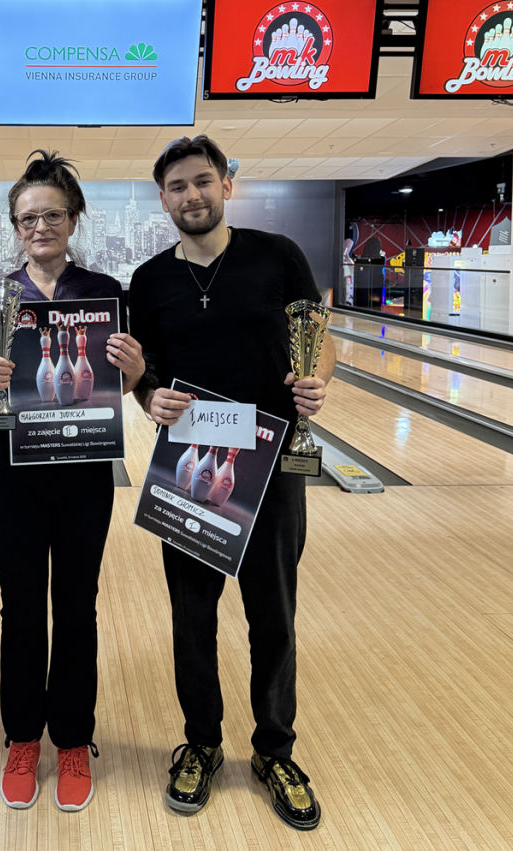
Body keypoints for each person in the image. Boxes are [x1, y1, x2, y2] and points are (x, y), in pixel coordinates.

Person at [128, 135, 336, 831]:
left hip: (271, 466)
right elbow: (144, 373)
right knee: (193, 618)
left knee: (272, 614)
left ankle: (275, 749)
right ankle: (203, 741)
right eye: (178, 186)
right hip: (188, 468)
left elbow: (318, 332)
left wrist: (319, 377)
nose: (192, 195)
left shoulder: (277, 256)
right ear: (163, 198)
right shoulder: (150, 280)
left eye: (203, 181)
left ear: (226, 186)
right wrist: (148, 396)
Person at [0, 151, 145, 812]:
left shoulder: (105, 294)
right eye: (27, 217)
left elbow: (123, 386)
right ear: (15, 225)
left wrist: (134, 364)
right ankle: (21, 737)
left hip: (84, 474)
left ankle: (71, 736)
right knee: (19, 608)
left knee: (76, 603)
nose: (40, 225)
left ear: (74, 219)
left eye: (52, 214)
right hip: (11, 474)